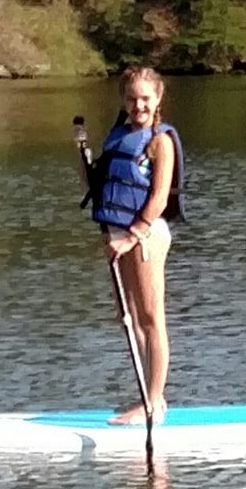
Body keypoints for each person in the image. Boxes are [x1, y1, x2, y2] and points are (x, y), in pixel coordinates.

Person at [84, 66, 186, 424]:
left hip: (145, 237)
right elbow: (97, 184)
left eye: (145, 98)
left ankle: (154, 403)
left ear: (158, 99)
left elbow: (158, 198)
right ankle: (145, 396)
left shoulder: (161, 140)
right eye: (131, 98)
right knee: (128, 321)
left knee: (150, 318)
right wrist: (81, 158)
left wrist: (131, 236)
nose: (138, 105)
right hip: (118, 237)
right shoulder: (118, 135)